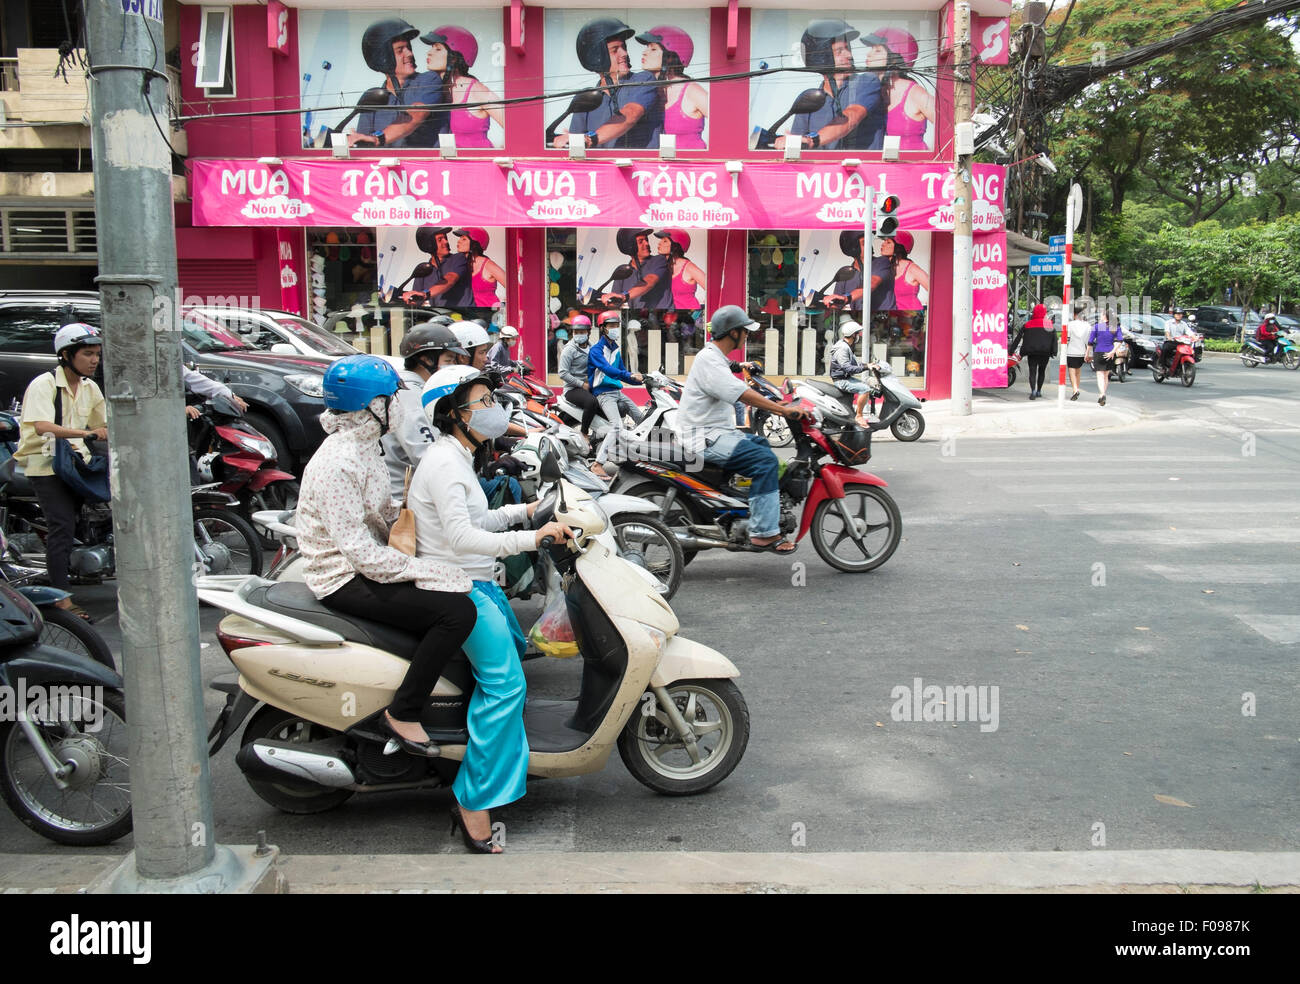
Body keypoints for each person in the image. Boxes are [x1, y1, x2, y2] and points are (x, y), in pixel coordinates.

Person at [414, 365, 572, 852]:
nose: (493, 409)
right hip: (457, 586)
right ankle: (474, 800)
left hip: (476, 583)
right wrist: (534, 536)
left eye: (490, 399)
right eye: (481, 402)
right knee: (505, 686)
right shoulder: (443, 463)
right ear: (453, 414)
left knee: (516, 666)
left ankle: (504, 757)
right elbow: (462, 538)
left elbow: (478, 515)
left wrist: (527, 511)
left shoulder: (457, 457)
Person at [296, 355, 477, 762]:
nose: (400, 406)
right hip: (342, 578)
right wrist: (429, 569)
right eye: (393, 398)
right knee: (457, 612)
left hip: (366, 561)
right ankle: (402, 711)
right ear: (373, 407)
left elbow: (380, 512)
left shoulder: (364, 445)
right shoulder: (340, 461)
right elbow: (360, 552)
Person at [678, 305, 809, 553]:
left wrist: (779, 401)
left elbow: (740, 377)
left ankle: (749, 504)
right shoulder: (709, 360)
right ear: (733, 332)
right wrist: (781, 410)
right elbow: (740, 393)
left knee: (761, 445)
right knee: (764, 462)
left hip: (716, 432)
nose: (748, 335)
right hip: (703, 437)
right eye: (745, 331)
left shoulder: (717, 358)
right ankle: (763, 533)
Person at [15, 324, 107, 620]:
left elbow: (101, 424)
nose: (94, 360)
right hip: (45, 465)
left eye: (97, 354)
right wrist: (88, 433)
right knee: (62, 528)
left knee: (98, 515)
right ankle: (61, 600)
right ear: (66, 355)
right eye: (87, 354)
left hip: (75, 463)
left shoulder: (90, 387)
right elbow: (42, 427)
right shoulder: (44, 384)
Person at [381, 321, 467, 496]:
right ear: (426, 360)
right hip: (405, 500)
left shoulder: (421, 389)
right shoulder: (408, 395)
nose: (451, 366)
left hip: (423, 489)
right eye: (448, 360)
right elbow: (426, 455)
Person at [555, 18, 662, 150]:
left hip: (642, 170)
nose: (624, 53)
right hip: (600, 170)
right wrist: (566, 141)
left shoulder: (644, 80)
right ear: (597, 57)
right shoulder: (586, 98)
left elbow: (630, 114)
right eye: (615, 50)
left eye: (623, 47)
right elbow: (576, 145)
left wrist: (590, 139)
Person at [778, 21, 884, 152]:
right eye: (840, 51)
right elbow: (797, 145)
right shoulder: (809, 100)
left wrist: (812, 140)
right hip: (821, 172)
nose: (849, 55)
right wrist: (785, 143)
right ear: (822, 57)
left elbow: (852, 116)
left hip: (865, 171)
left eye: (848, 49)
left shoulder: (867, 82)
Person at [352, 18, 444, 149]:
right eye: (400, 50)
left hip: (425, 168)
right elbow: (363, 144)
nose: (410, 53)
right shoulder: (373, 98)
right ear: (383, 58)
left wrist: (378, 138)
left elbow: (416, 114)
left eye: (409, 47)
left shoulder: (429, 80)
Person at [421, 26, 503, 149]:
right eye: (431, 48)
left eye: (438, 49)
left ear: (454, 58)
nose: (429, 53)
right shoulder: (434, 89)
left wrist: (503, 158)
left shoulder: (475, 90)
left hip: (479, 165)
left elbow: (516, 127)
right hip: (444, 167)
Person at [587, 311, 645, 480]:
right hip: (604, 394)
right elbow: (609, 370)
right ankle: (598, 464)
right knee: (617, 426)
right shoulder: (596, 351)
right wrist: (629, 376)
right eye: (611, 326)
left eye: (616, 326)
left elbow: (622, 372)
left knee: (641, 418)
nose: (614, 329)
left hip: (617, 392)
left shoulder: (616, 349)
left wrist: (642, 380)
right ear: (603, 328)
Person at [863, 29, 935, 151]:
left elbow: (949, 128)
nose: (869, 54)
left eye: (878, 50)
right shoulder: (870, 91)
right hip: (880, 168)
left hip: (915, 167)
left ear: (895, 59)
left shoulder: (915, 93)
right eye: (871, 49)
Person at [637, 26, 707, 149]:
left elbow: (726, 121)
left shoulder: (691, 90)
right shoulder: (653, 90)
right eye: (647, 48)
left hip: (691, 166)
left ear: (670, 57)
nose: (645, 52)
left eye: (653, 49)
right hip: (659, 166)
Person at [605, 227, 671, 310]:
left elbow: (650, 281)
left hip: (659, 317)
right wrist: (607, 300)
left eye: (646, 240)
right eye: (641, 241)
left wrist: (624, 296)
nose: (646, 243)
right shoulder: (623, 270)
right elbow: (615, 302)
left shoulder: (659, 260)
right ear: (630, 246)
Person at [406, 227, 472, 308]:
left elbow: (450, 279)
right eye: (440, 239)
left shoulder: (458, 258)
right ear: (429, 245)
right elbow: (417, 299)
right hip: (438, 316)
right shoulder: (423, 269)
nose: (446, 241)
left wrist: (425, 294)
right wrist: (410, 299)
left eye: (445, 238)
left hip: (463, 315)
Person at [558, 316, 601, 438]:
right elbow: (562, 373)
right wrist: (582, 384)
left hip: (589, 386)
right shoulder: (569, 350)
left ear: (588, 332)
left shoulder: (592, 348)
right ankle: (584, 433)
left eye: (582, 332)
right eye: (576, 332)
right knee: (591, 402)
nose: (578, 334)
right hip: (573, 389)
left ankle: (599, 435)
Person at [828, 321, 875, 426]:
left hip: (845, 378)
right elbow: (848, 368)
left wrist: (868, 365)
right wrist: (866, 367)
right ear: (853, 335)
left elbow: (854, 364)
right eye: (857, 333)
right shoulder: (842, 348)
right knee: (865, 389)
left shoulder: (845, 346)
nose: (858, 336)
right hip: (841, 381)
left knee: (868, 385)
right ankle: (859, 416)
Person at [453, 228, 505, 309]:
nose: (459, 241)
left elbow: (513, 287)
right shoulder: (459, 264)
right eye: (460, 238)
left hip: (490, 315)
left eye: (464, 239)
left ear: (475, 243)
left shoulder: (488, 265)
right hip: (469, 314)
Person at [655, 229, 705, 311]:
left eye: (665, 241)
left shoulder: (688, 267)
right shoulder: (661, 266)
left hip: (689, 316)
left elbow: (711, 289)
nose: (659, 243)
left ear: (675, 246)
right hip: (668, 316)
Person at [879, 231, 928, 311]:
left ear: (899, 247)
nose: (883, 244)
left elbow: (935, 290)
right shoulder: (883, 267)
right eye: (884, 241)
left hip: (910, 317)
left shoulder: (911, 268)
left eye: (888, 242)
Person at [1019, 303, 1056, 399]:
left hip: (1032, 352)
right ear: (1044, 313)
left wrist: (1013, 351)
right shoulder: (1049, 325)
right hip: (1045, 353)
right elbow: (1054, 340)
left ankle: (1033, 391)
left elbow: (1018, 338)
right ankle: (1039, 391)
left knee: (1032, 371)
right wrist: (1054, 352)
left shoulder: (1027, 324)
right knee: (1042, 371)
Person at [1087, 310, 1123, 406]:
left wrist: (1087, 354)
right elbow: (1120, 341)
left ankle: (1102, 394)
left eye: (1102, 315)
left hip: (1099, 351)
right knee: (1106, 375)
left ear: (1104, 317)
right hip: (1110, 353)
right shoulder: (1115, 327)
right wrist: (1112, 352)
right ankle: (1103, 393)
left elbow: (1090, 342)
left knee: (1100, 375)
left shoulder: (1097, 327)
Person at [824, 231, 866, 312]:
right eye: (864, 243)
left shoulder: (880, 268)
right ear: (854, 248)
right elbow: (836, 304)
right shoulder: (845, 274)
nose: (870, 246)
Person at [1062, 301, 1091, 401]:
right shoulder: (1087, 325)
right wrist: (1088, 353)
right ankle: (1076, 389)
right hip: (1082, 352)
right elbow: (1089, 341)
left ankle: (1075, 390)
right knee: (1078, 371)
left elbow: (1067, 339)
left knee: (1072, 372)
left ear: (1074, 314)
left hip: (1071, 351)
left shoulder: (1070, 325)